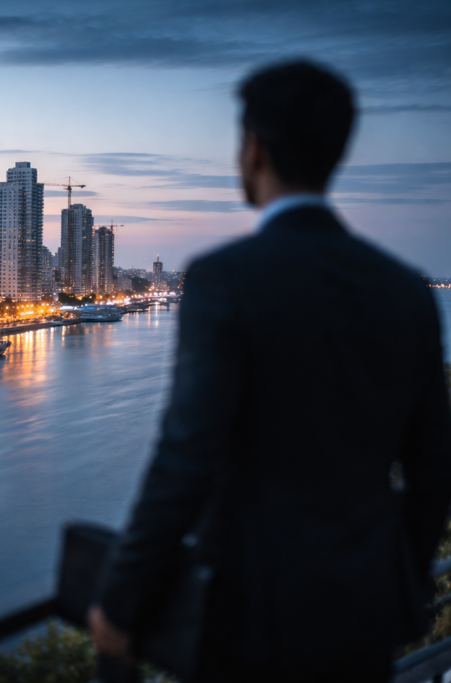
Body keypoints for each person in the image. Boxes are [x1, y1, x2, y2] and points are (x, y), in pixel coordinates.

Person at [88, 60, 451, 682]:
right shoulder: (406, 291)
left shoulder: (226, 279)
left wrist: (122, 600)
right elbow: (433, 467)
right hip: (365, 611)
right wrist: (404, 580)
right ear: (337, 151)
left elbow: (186, 455)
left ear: (252, 149)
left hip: (252, 612)